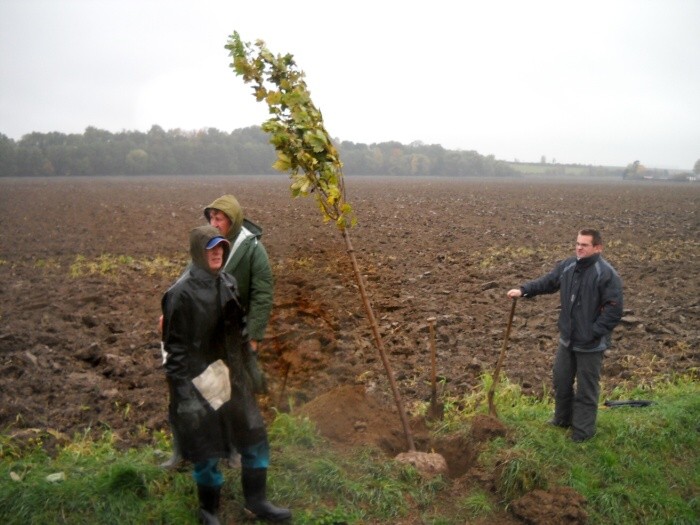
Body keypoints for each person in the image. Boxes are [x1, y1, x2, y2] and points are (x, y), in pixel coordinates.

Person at [161, 225, 290, 523]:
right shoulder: (180, 294)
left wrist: (251, 371)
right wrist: (183, 398)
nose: (217, 252)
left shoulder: (229, 282)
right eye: (210, 248)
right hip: (203, 379)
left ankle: (256, 502)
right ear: (198, 252)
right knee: (207, 450)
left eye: (220, 247)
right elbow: (175, 353)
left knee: (254, 435)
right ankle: (209, 510)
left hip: (233, 375)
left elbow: (240, 334)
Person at [161, 193, 274, 468]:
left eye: (219, 217)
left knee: (230, 393)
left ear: (232, 221)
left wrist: (254, 337)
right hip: (201, 338)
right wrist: (168, 316)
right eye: (211, 217)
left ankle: (232, 449)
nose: (214, 221)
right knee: (186, 394)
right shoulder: (205, 244)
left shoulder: (252, 249)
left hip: (232, 334)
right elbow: (186, 284)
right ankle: (183, 451)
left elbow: (262, 294)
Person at [506, 229, 623, 442]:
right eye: (577, 243)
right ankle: (562, 420)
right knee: (561, 380)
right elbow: (549, 282)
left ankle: (583, 433)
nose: (579, 247)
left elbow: (614, 309)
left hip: (590, 344)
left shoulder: (605, 274)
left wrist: (593, 332)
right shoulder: (569, 266)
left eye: (584, 245)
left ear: (598, 248)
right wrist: (523, 290)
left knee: (587, 389)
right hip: (567, 339)